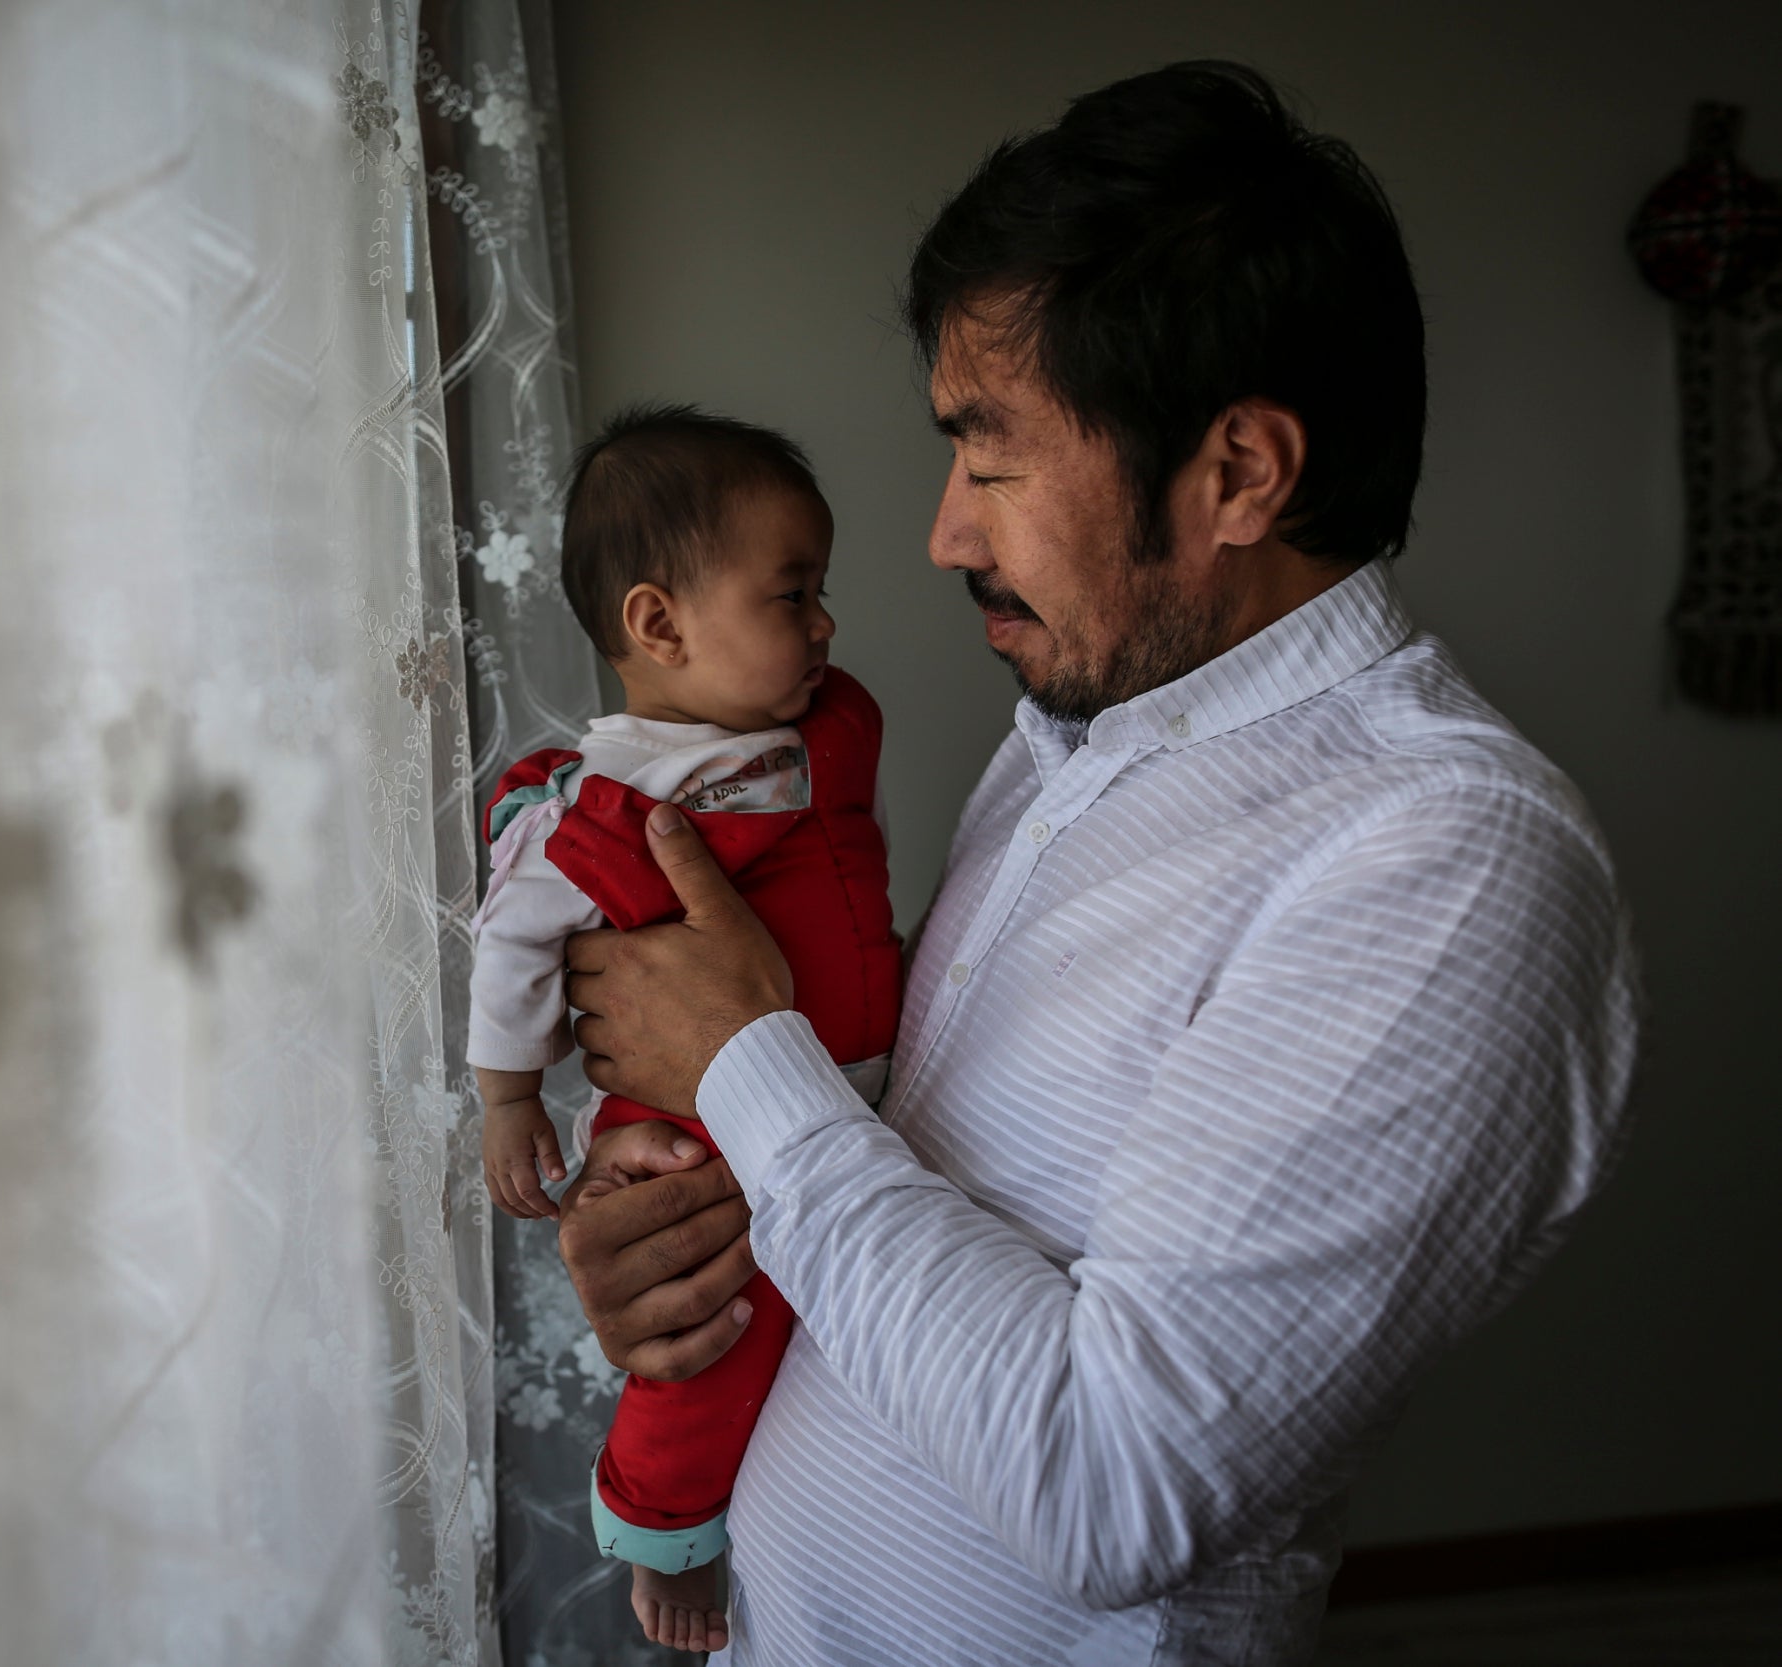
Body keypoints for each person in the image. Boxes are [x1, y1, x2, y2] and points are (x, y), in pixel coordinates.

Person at [551, 62, 1643, 1665]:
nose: (943, 533)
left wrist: (743, 1065)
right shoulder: (1078, 735)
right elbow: (901, 1181)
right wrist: (683, 1229)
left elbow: (1114, 1482)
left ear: (1239, 474)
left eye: (990, 456)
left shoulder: (1453, 861)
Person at [469, 404, 900, 1654]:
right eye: (792, 592)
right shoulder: (603, 802)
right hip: (699, 1127)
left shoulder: (810, 732)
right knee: (703, 1330)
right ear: (657, 625)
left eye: (821, 589)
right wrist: (508, 1099)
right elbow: (509, 943)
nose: (824, 622)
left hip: (850, 1100)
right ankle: (665, 1522)